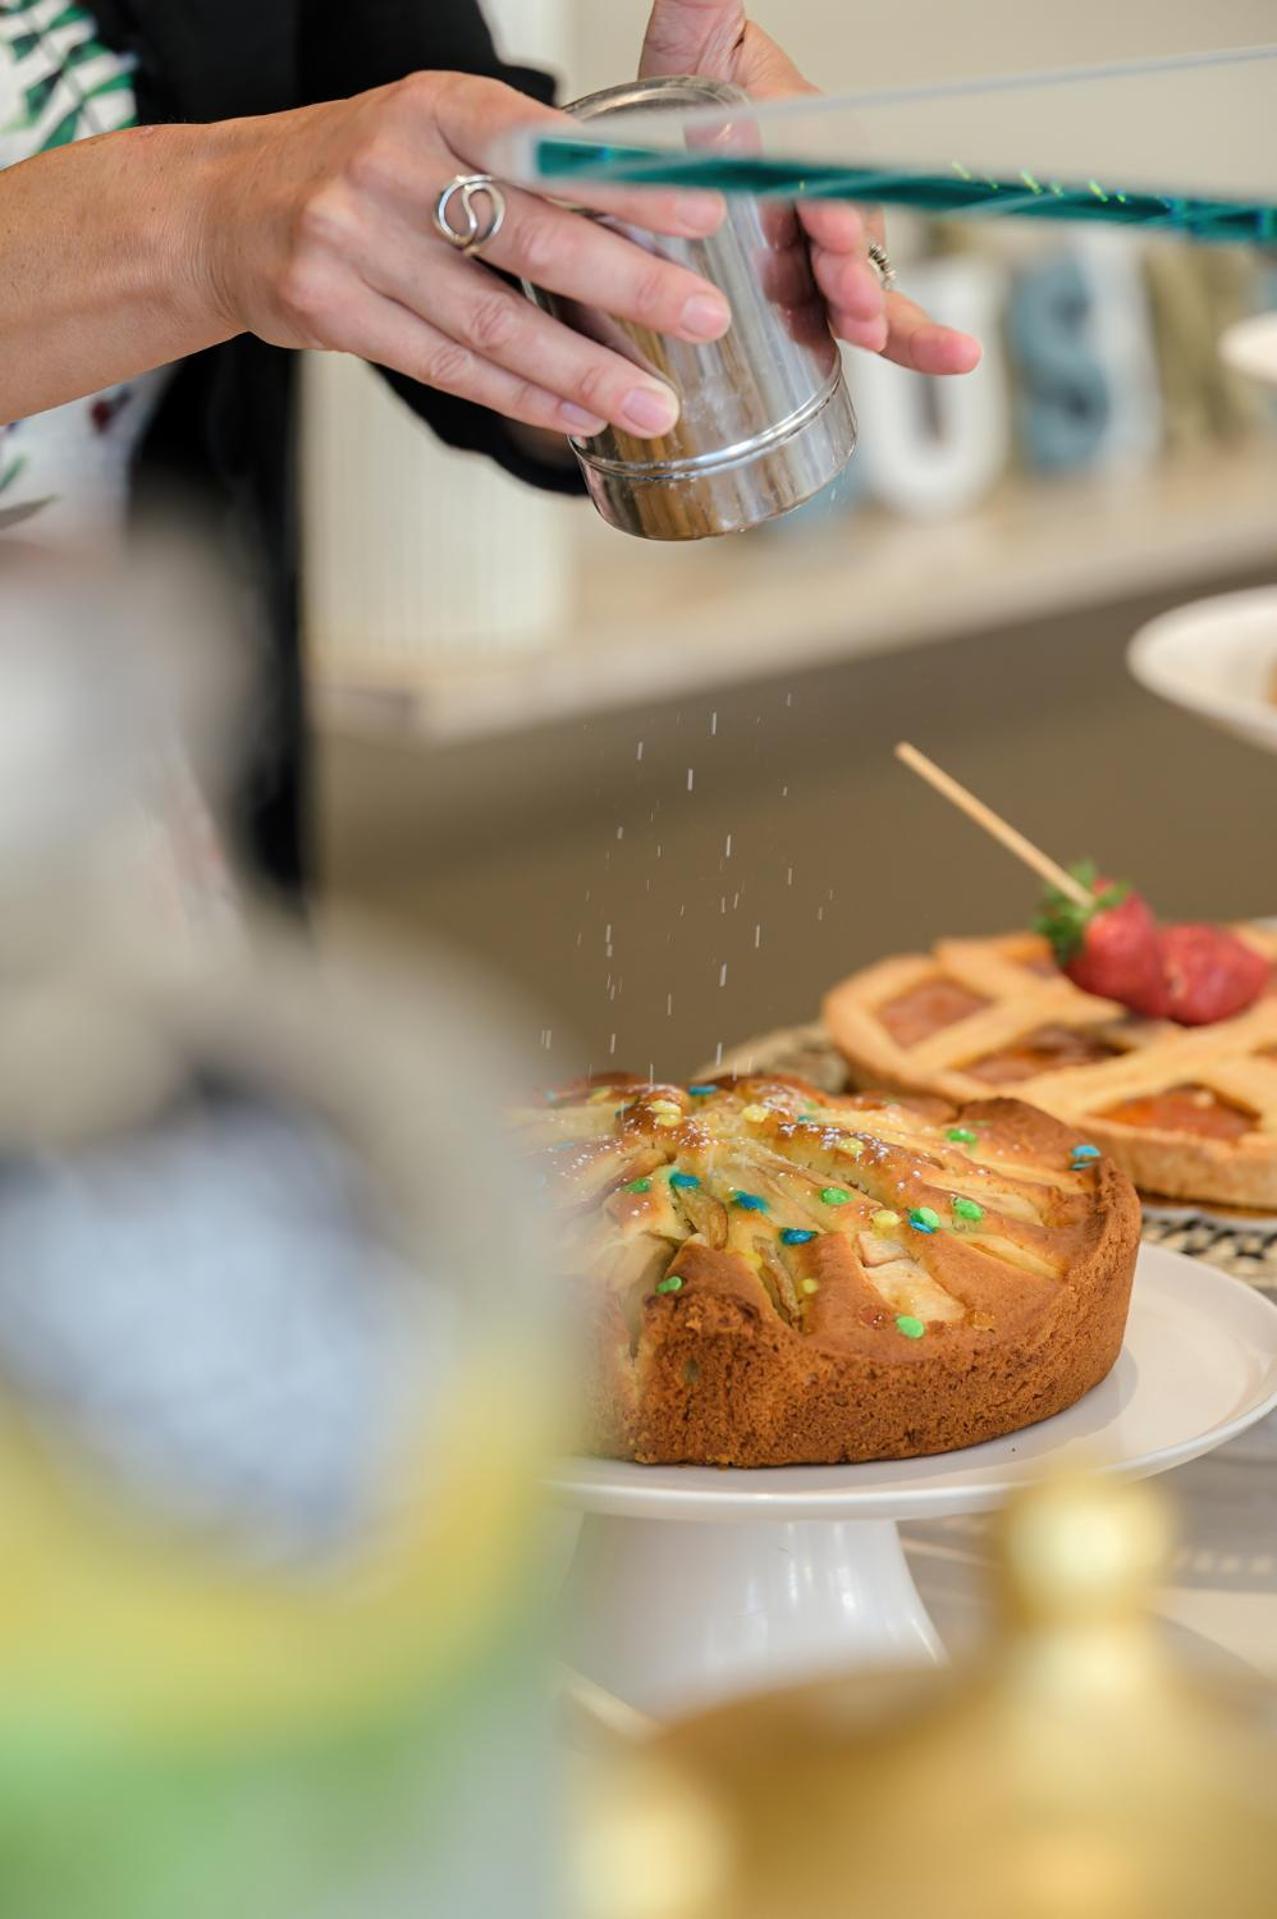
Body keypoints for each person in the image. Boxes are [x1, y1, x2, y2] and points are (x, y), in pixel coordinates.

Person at [0, 0, 980, 895]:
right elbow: (261, 198)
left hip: (133, 843)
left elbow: (430, 175)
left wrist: (686, 256)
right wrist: (197, 220)